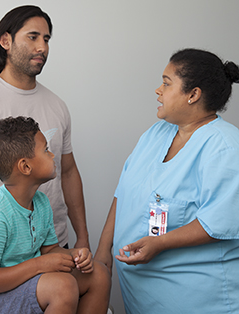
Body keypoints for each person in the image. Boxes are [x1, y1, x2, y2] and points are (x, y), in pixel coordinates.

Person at [0, 5, 90, 294]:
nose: (42, 47)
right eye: (33, 37)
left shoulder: (57, 106)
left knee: (90, 281)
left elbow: (69, 172)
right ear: (6, 41)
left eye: (47, 39)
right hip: (4, 251)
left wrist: (82, 237)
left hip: (51, 242)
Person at [95, 48, 239, 313]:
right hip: (142, 298)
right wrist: (103, 250)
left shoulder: (225, 147)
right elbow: (124, 192)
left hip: (198, 301)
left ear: (193, 94)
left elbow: (218, 223)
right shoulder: (157, 132)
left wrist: (160, 243)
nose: (157, 90)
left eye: (166, 83)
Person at [0, 116, 111, 314]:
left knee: (99, 273)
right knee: (62, 287)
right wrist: (38, 264)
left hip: (24, 280)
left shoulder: (40, 202)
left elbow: (50, 251)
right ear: (25, 167)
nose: (53, 154)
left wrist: (74, 255)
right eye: (46, 150)